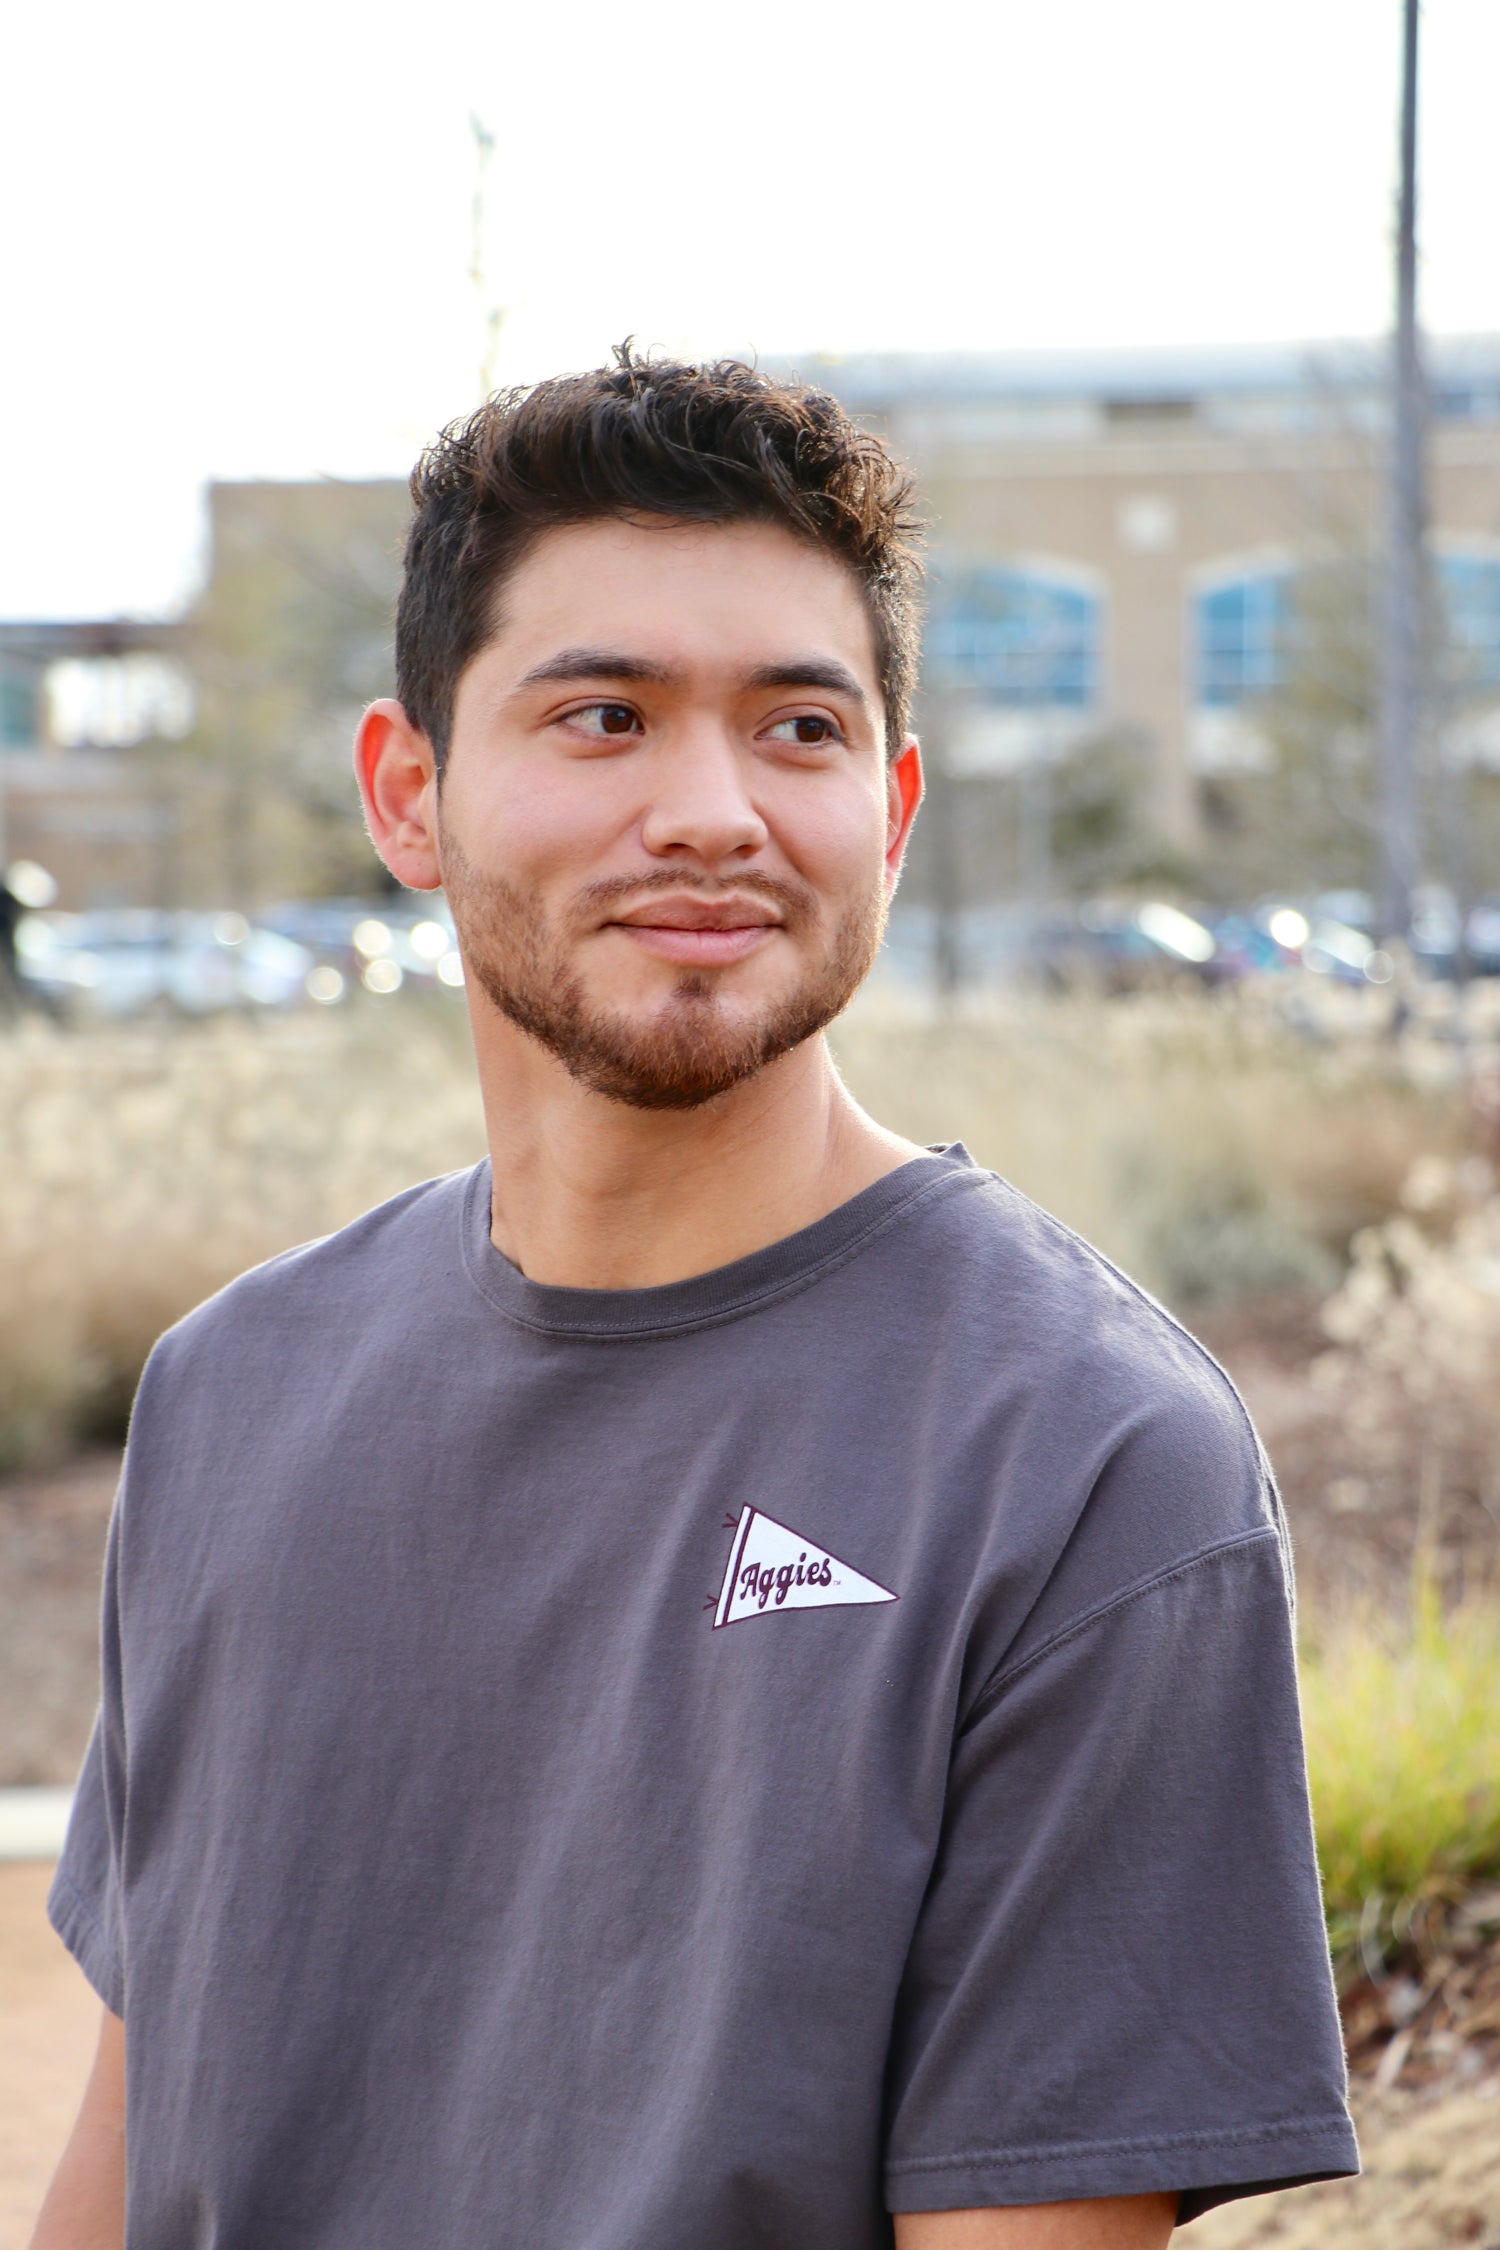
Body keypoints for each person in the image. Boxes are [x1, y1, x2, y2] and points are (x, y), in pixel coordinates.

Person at [34, 349, 1357, 2249]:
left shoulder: (1087, 1464)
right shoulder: (233, 1387)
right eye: (604, 716)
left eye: (799, 729)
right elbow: (127, 2165)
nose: (715, 809)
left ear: (890, 811)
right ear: (409, 793)